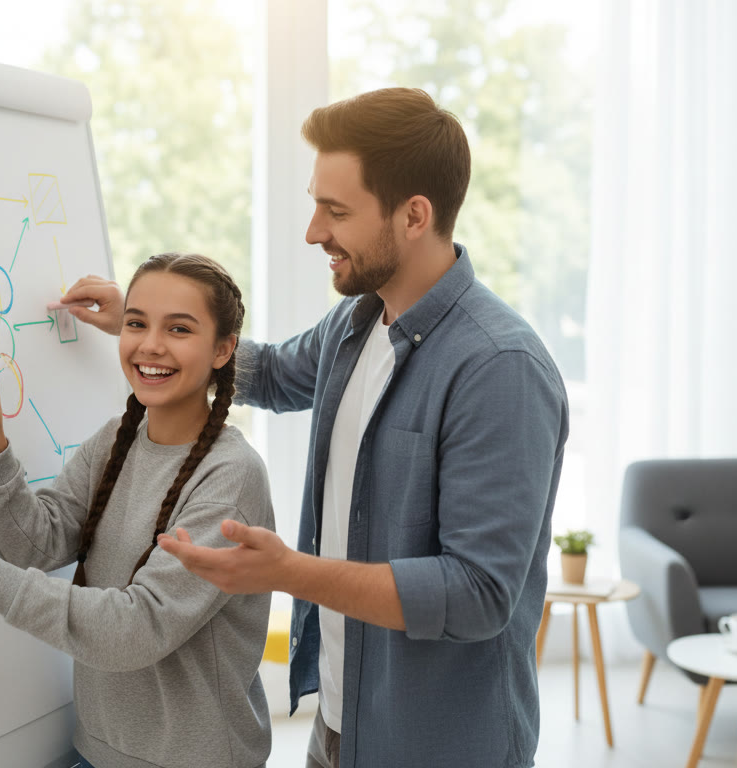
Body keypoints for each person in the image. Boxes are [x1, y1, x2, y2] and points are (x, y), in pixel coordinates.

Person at [54, 88, 569, 767]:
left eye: (336, 210)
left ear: (414, 215)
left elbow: (477, 594)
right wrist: (151, 319)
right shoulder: (355, 325)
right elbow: (260, 372)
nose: (313, 231)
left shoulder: (500, 368)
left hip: (437, 746)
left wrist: (288, 572)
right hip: (338, 727)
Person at [0, 253, 274, 768]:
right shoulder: (116, 442)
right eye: (136, 323)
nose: (150, 344)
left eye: (179, 329)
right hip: (98, 751)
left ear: (223, 349)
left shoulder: (231, 478)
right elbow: (37, 543)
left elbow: (138, 630)